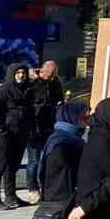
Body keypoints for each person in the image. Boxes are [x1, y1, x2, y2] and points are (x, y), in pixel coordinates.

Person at [0, 62, 34, 209]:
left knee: (13, 167)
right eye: (18, 72)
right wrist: (1, 132)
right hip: (4, 134)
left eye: (23, 73)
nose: (21, 75)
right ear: (12, 74)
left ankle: (11, 196)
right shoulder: (1, 91)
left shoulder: (28, 91)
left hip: (21, 134)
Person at [26, 59, 65, 195]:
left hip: (49, 125)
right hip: (34, 126)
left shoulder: (55, 82)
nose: (50, 78)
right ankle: (32, 188)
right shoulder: (33, 82)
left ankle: (44, 186)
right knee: (34, 160)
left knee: (46, 158)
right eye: (49, 75)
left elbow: (59, 99)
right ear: (43, 70)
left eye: (52, 75)